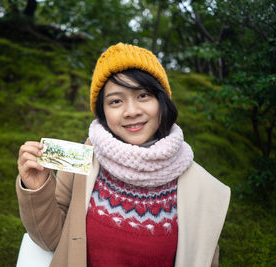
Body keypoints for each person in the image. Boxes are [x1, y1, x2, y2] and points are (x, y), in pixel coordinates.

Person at [16, 43, 230, 267]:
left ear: (162, 100)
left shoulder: (202, 188)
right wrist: (36, 189)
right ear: (103, 112)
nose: (131, 111)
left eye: (143, 95)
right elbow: (52, 240)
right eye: (116, 101)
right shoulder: (84, 159)